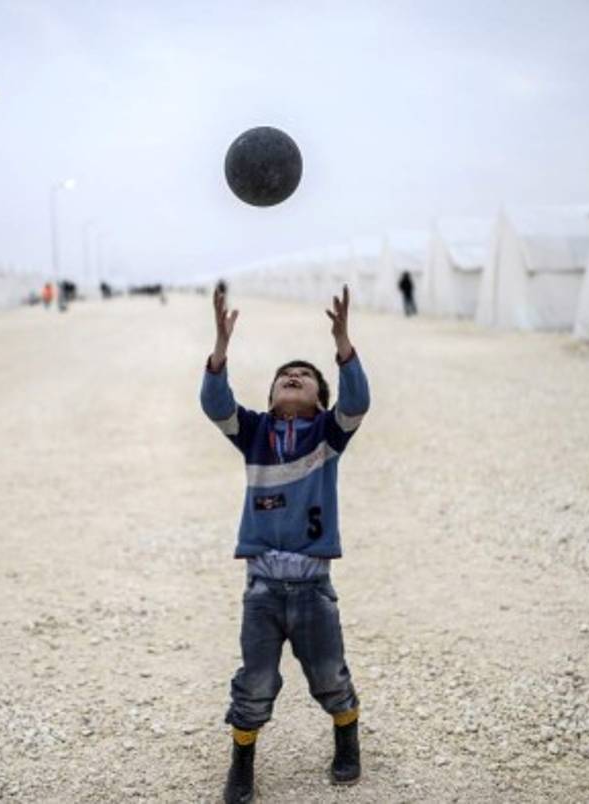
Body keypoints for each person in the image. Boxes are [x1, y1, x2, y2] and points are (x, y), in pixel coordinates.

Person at [200, 285, 370, 802]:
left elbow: (358, 402)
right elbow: (214, 404)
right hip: (262, 590)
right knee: (255, 682)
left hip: (314, 588)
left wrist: (343, 346)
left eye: (305, 376)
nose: (293, 376)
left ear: (320, 400)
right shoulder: (253, 432)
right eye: (283, 376)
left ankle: (347, 737)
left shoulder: (327, 437)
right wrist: (220, 351)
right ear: (271, 397)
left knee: (329, 675)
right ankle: (242, 763)